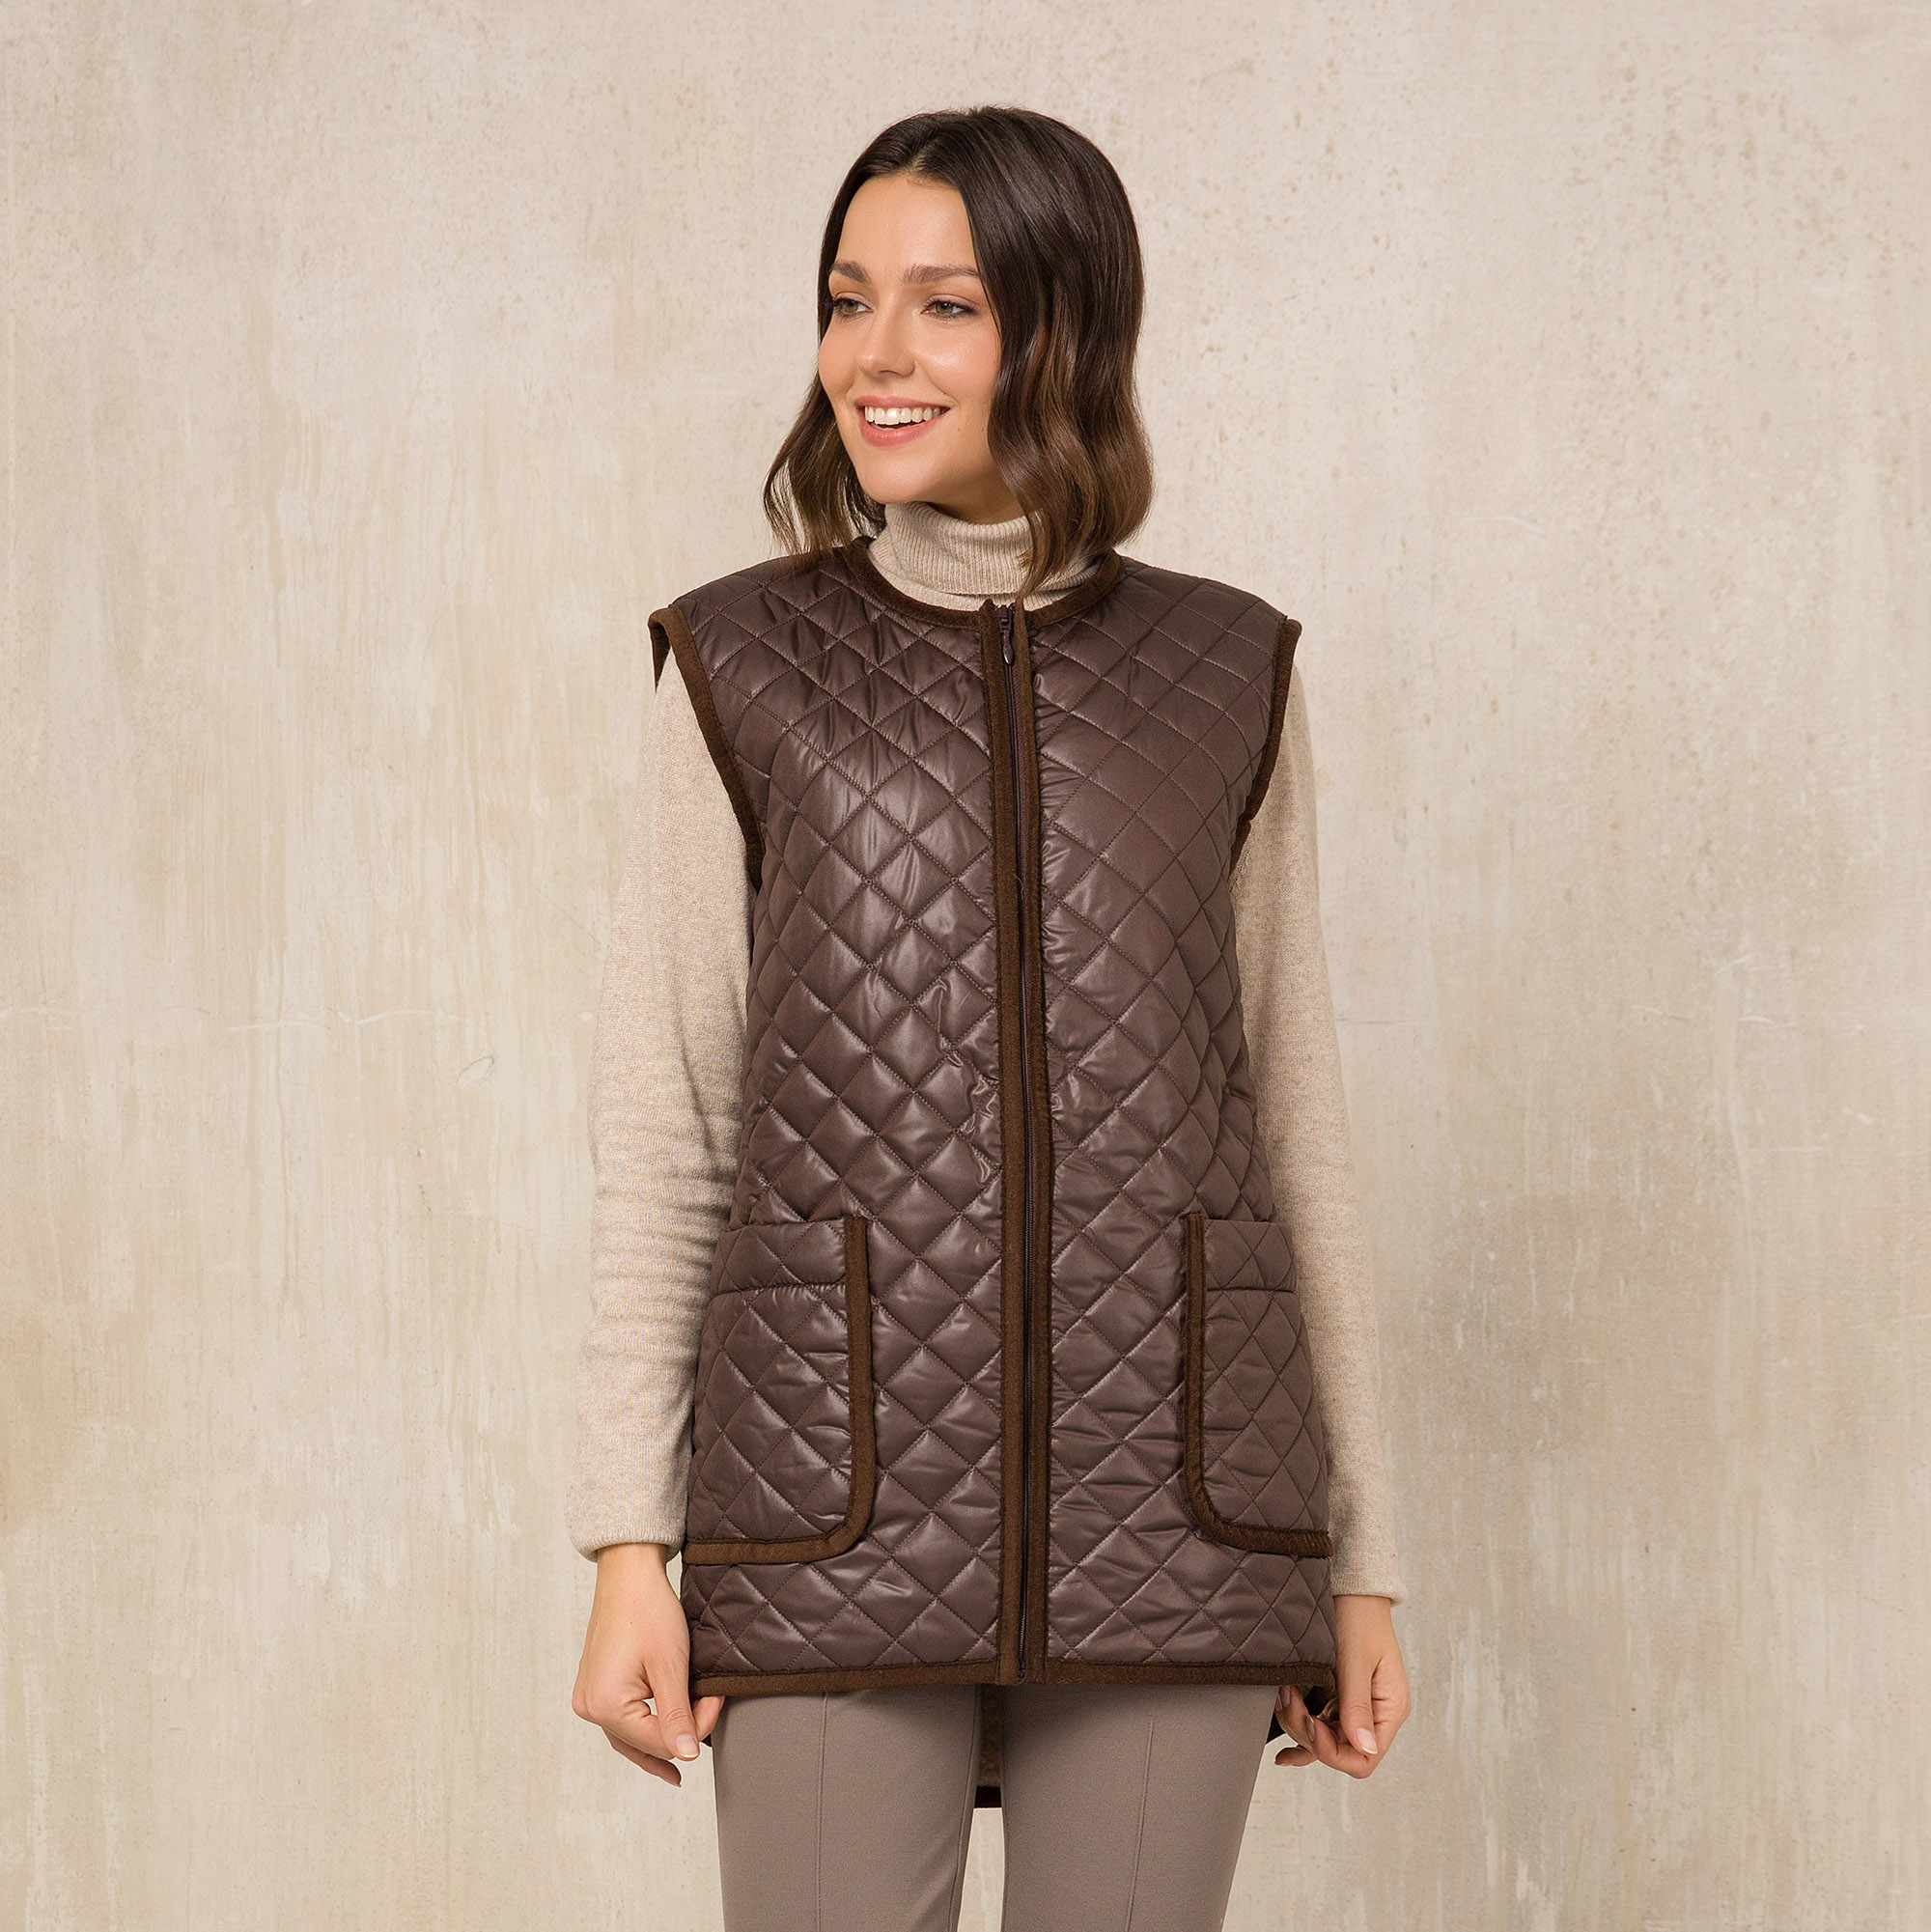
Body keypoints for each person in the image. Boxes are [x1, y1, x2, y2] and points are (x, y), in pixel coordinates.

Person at [566, 105, 1412, 1932]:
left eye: (945, 305)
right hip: (825, 1505)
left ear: (1063, 332)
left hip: (1180, 1513)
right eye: (847, 299)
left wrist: (1364, 1560)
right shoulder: (738, 666)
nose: (877, 354)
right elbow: (670, 1132)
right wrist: (629, 1541)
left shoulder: (1229, 673)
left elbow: (1295, 1127)